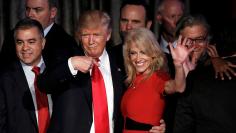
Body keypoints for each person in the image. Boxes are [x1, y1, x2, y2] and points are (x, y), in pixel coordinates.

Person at [120, 28, 193, 133]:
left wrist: (178, 65)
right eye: (133, 53)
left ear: (153, 53)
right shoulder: (133, 81)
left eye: (143, 52)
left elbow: (178, 87)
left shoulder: (158, 78)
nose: (138, 58)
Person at [173, 15, 236, 133]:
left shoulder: (214, 67)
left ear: (208, 40)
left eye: (200, 39)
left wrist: (216, 60)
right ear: (178, 41)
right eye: (188, 40)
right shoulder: (168, 66)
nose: (194, 46)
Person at [0, 18, 52, 133]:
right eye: (20, 42)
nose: (25, 48)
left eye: (31, 42)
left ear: (43, 43)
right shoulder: (4, 80)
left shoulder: (57, 70)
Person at [0, 0, 78, 72]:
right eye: (27, 9)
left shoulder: (67, 43)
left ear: (52, 13)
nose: (30, 14)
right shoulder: (12, 36)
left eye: (37, 10)